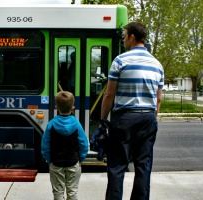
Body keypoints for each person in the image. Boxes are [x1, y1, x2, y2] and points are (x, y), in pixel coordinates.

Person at [101, 22, 164, 200]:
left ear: (132, 37)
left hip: (124, 118)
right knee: (143, 166)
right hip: (148, 117)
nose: (123, 40)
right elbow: (159, 98)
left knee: (117, 166)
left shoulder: (120, 60)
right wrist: (153, 117)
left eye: (124, 36)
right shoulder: (157, 64)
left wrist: (103, 119)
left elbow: (109, 94)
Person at [41, 91, 89, 200]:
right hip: (73, 163)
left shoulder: (51, 124)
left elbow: (45, 146)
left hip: (56, 164)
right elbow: (84, 144)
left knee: (58, 193)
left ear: (56, 107)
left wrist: (49, 160)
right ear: (72, 107)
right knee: (72, 192)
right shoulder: (76, 124)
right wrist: (80, 158)